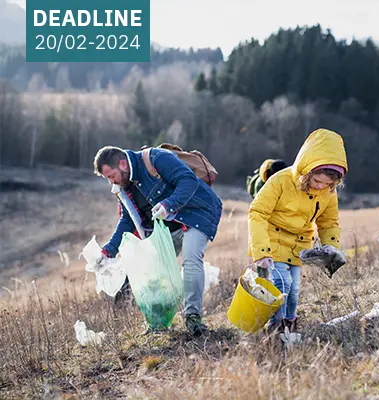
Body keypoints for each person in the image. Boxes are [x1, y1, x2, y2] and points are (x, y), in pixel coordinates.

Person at [93, 145, 223, 335]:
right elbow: (128, 219)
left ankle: (193, 318)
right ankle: (158, 322)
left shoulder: (156, 158)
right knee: (152, 270)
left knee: (190, 259)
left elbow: (187, 180)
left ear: (122, 164)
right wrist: (109, 250)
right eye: (107, 179)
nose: (111, 181)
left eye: (111, 176)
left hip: (198, 212)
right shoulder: (123, 188)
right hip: (170, 226)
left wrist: (168, 205)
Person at [247, 128, 348, 334]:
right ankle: (276, 328)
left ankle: (290, 326)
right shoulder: (280, 181)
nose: (320, 187)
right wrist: (261, 251)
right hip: (272, 240)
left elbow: (329, 222)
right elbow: (257, 213)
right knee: (281, 284)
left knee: (293, 290)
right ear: (307, 172)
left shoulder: (328, 192)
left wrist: (331, 247)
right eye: (317, 181)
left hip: (299, 246)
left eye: (327, 184)